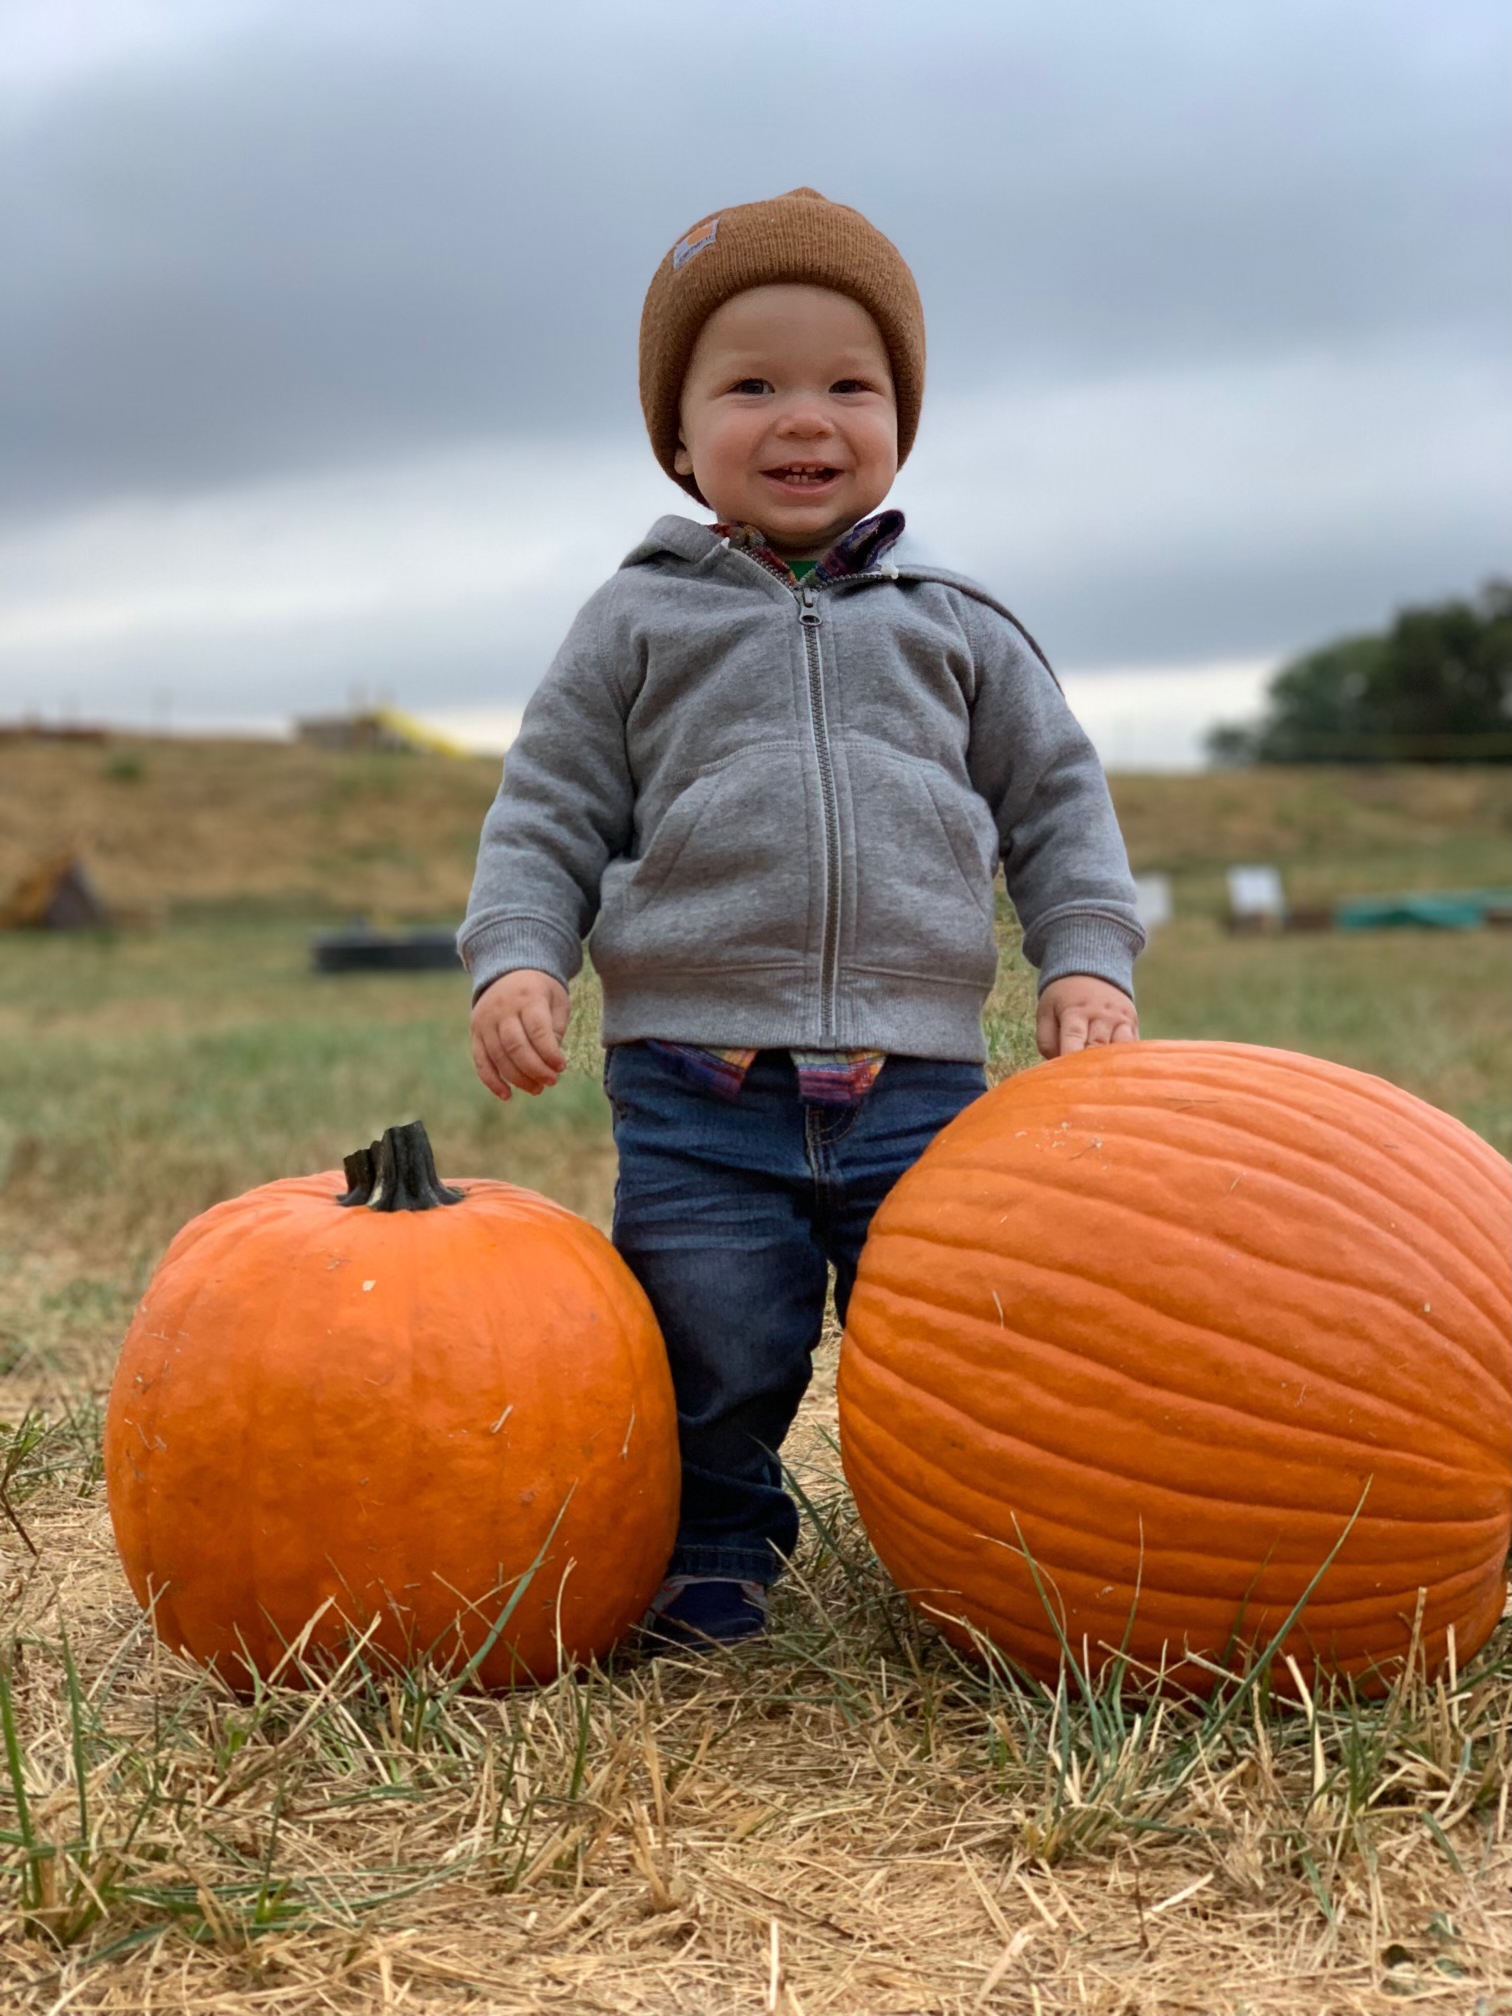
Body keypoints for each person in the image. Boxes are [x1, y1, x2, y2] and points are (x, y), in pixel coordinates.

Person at [460, 187, 1143, 1647]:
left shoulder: (959, 625)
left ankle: (989, 1549)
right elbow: (548, 813)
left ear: (900, 415)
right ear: (680, 430)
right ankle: (714, 1544)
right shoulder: (635, 622)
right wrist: (516, 956)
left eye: (850, 383)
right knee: (713, 1339)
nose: (803, 417)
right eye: (751, 385)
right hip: (701, 1089)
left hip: (923, 1085)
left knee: (969, 1340)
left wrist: (1086, 959)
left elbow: (1059, 809)